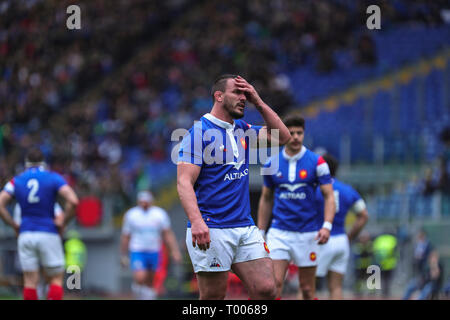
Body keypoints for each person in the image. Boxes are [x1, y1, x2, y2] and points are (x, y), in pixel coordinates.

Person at [177, 74, 291, 300]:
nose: (243, 98)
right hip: (213, 227)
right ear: (219, 96)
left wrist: (258, 101)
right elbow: (183, 182)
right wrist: (198, 221)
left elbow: (282, 137)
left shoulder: (242, 128)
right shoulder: (198, 133)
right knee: (213, 297)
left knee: (267, 289)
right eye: (237, 93)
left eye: (245, 94)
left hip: (244, 226)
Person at [257, 113, 336, 300]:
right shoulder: (270, 164)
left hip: (307, 233)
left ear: (304, 134)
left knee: (307, 289)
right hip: (279, 232)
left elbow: (329, 196)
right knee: (274, 284)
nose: (295, 137)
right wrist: (261, 231)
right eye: (290, 133)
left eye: (299, 133)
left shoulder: (318, 162)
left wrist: (327, 225)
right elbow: (266, 198)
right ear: (284, 135)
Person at [0, 147, 79, 300]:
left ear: (26, 163)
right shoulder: (53, 178)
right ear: (44, 163)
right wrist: (63, 221)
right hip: (48, 231)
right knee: (56, 278)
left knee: (30, 281)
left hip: (26, 233)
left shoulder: (17, 180)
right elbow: (73, 201)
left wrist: (12, 224)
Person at [315, 153, 369, 299]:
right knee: (336, 287)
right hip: (340, 240)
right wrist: (349, 236)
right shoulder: (347, 190)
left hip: (320, 240)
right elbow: (364, 215)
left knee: (308, 285)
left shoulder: (315, 189)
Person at [120, 190, 182, 300]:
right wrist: (123, 254)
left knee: (150, 280)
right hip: (137, 249)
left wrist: (175, 251)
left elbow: (167, 234)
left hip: (154, 250)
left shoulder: (159, 214)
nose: (144, 204)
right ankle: (138, 293)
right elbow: (126, 236)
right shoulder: (131, 215)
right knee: (140, 277)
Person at [402, 228, 433, 300]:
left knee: (422, 287)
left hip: (424, 271)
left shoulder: (428, 245)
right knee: (411, 286)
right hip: (417, 270)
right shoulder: (417, 244)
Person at [373, 232, 398, 298]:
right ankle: (386, 291)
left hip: (381, 263)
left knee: (383, 278)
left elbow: (375, 251)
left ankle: (383, 292)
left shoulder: (379, 239)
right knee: (387, 279)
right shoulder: (392, 239)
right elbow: (395, 252)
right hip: (390, 263)